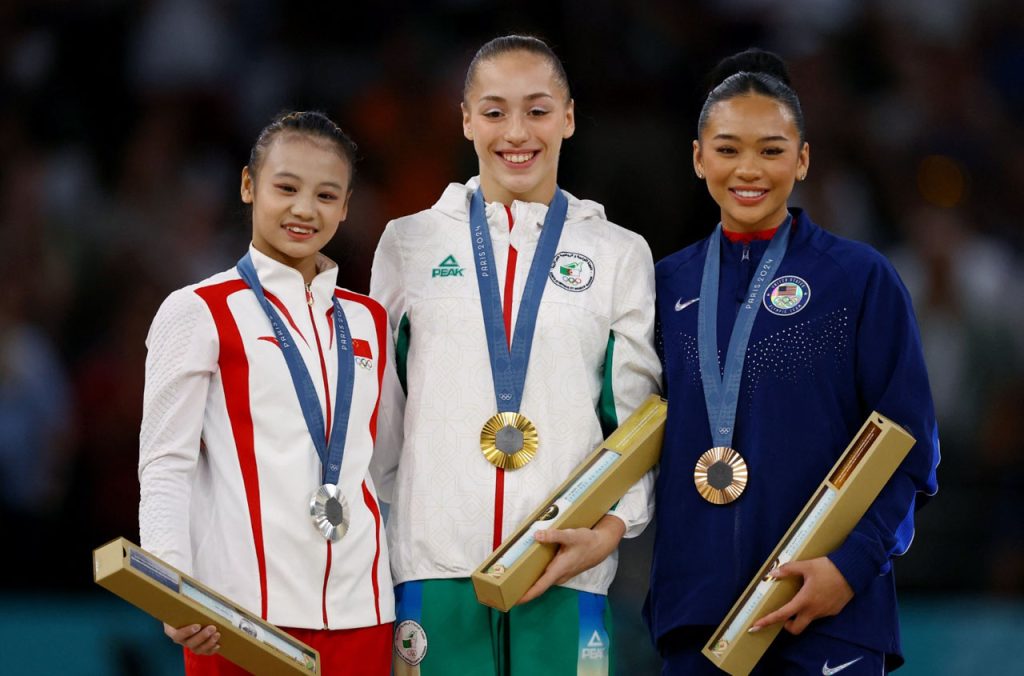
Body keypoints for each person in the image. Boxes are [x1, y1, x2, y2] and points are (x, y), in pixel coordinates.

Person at [370, 35, 661, 675]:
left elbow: (633, 416)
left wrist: (611, 532)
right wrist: (413, 522)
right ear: (467, 119)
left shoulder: (618, 253)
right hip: (434, 568)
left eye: (537, 109)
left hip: (565, 562)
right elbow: (384, 409)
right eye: (495, 111)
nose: (516, 132)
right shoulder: (408, 244)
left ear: (569, 118)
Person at [646, 49, 940, 674]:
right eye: (727, 149)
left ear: (803, 159)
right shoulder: (662, 287)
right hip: (695, 623)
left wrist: (850, 566)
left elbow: (910, 450)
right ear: (698, 159)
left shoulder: (858, 279)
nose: (748, 169)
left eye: (772, 150)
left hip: (830, 615)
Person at [138, 110, 402, 676]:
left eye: (327, 195)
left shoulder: (369, 321)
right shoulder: (198, 311)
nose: (305, 209)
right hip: (238, 618)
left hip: (366, 614)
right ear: (248, 185)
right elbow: (165, 465)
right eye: (286, 187)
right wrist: (171, 591)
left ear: (347, 206)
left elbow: (380, 470)